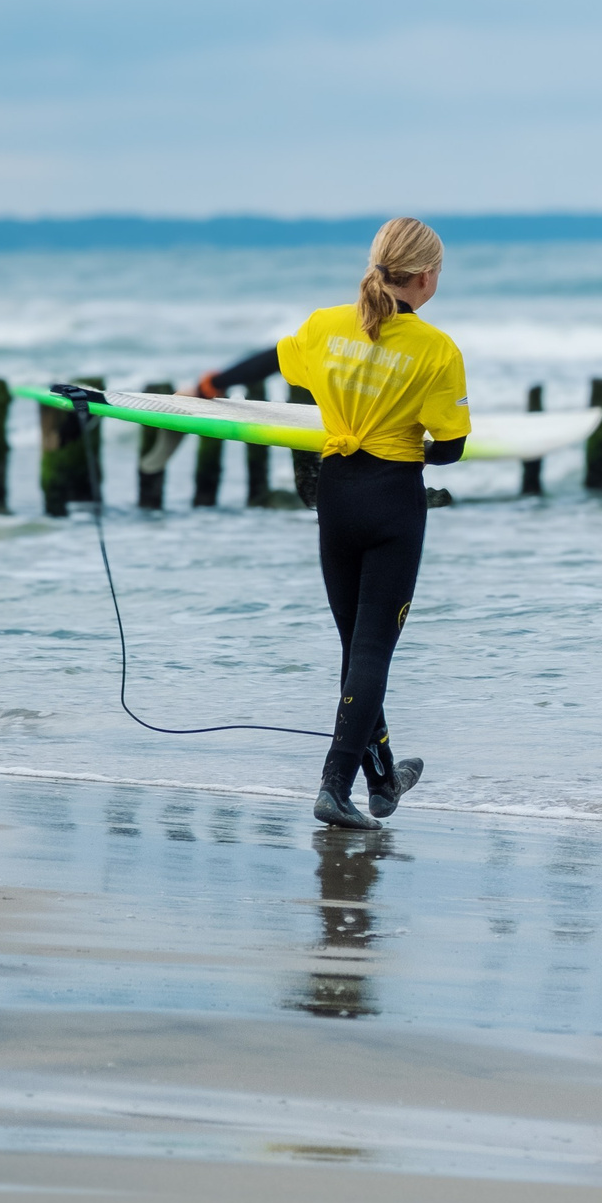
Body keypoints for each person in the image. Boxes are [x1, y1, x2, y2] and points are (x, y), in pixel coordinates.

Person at [198, 218, 470, 831]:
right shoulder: (436, 350)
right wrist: (415, 447)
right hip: (393, 501)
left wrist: (212, 386)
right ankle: (333, 787)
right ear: (426, 277)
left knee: (356, 651)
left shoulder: (325, 326)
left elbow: (273, 360)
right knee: (372, 652)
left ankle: (382, 777)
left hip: (337, 497)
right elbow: (450, 448)